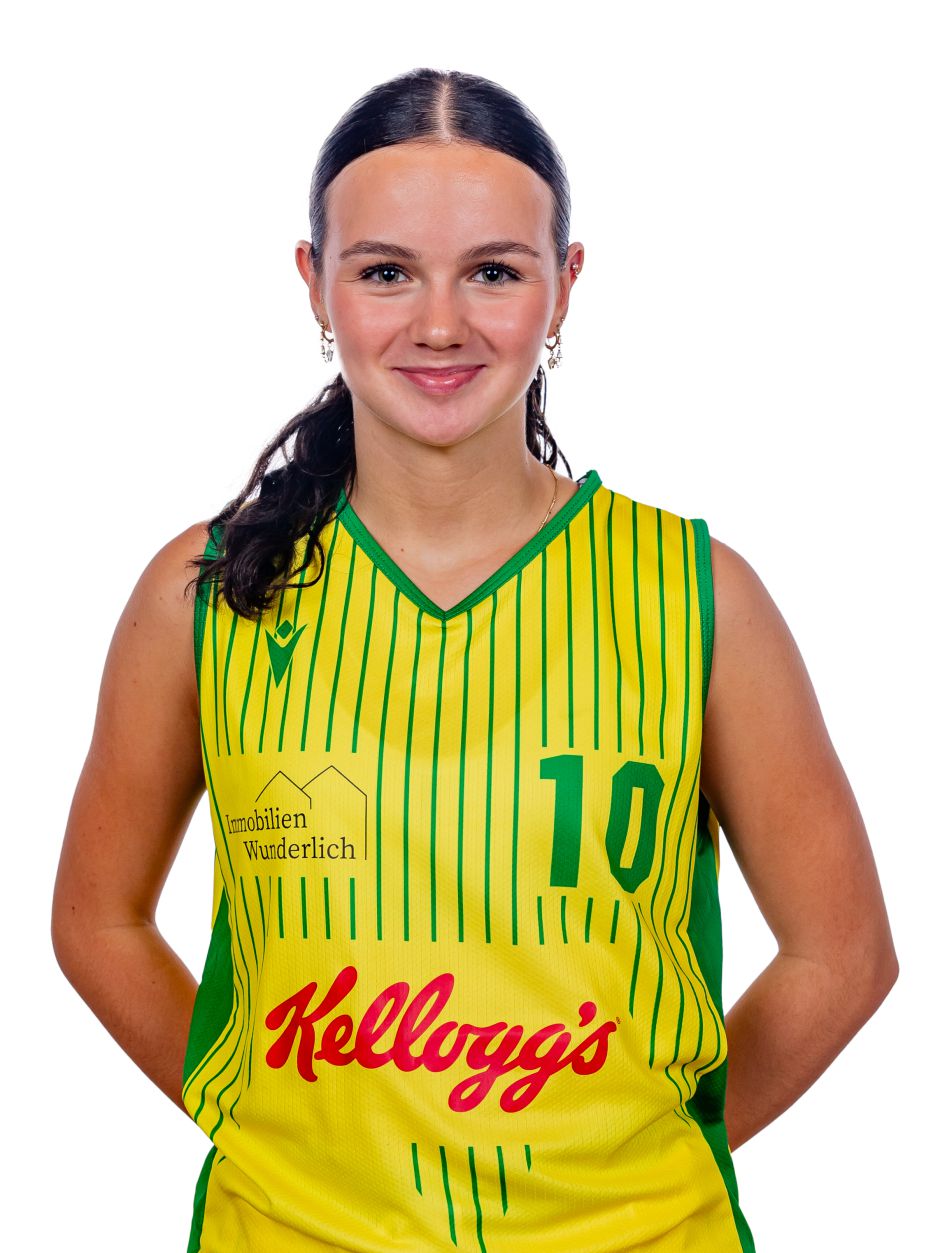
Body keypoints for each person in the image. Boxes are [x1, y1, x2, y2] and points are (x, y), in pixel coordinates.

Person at [51, 66, 898, 1253]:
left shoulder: (700, 598)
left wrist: (644, 1155)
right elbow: (97, 921)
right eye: (385, 271)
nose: (440, 324)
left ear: (564, 286)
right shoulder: (203, 593)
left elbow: (840, 955)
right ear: (314, 282)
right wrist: (271, 1128)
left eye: (494, 272)